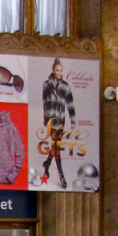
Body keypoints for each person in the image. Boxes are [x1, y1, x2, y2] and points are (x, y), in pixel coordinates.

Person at [41, 58, 76, 189]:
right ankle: (61, 175)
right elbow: (44, 103)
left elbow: (70, 103)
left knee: (56, 145)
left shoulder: (65, 86)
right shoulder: (46, 85)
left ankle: (47, 164)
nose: (59, 72)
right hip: (51, 120)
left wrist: (73, 120)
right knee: (57, 147)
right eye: (57, 70)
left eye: (61, 70)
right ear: (53, 70)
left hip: (61, 120)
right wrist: (45, 119)